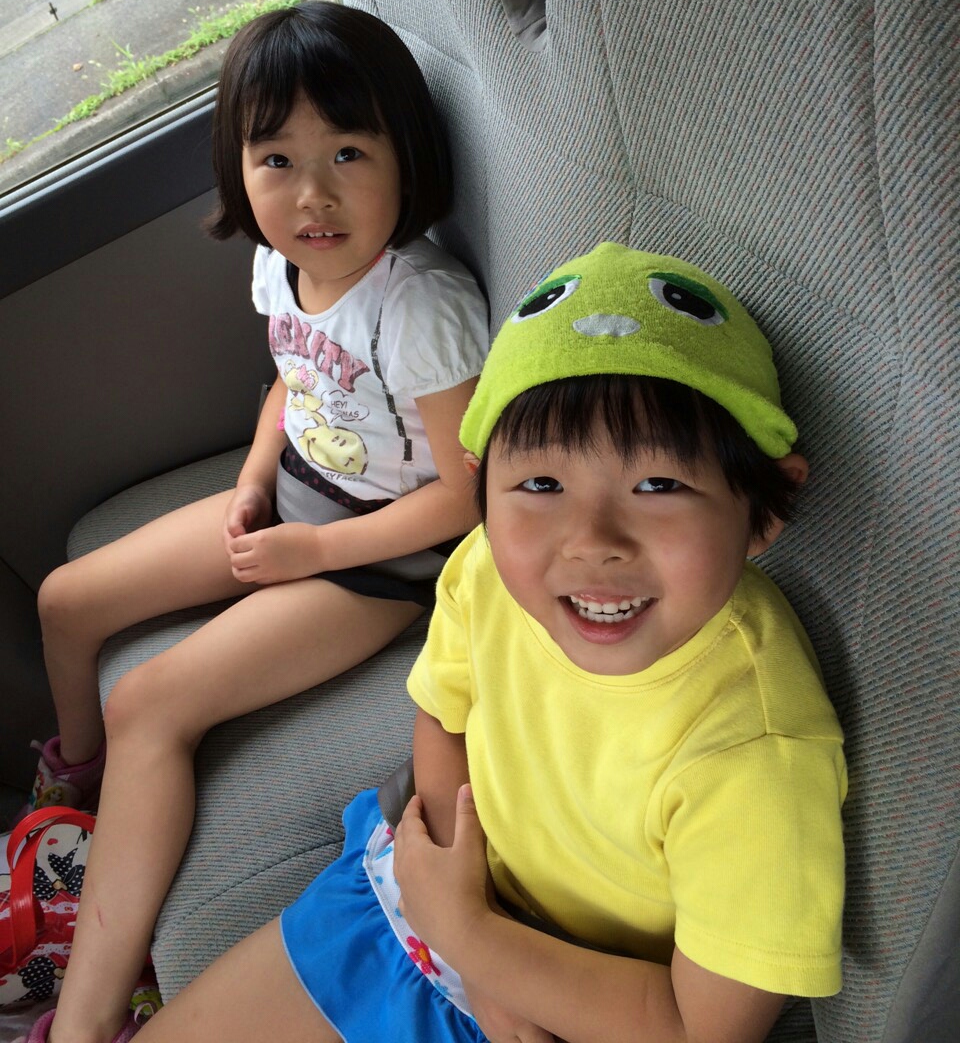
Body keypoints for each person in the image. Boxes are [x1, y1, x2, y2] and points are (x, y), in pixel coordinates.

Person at [109, 244, 847, 1043]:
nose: (591, 543)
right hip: (429, 895)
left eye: (659, 485)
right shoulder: (488, 569)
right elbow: (444, 718)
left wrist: (476, 944)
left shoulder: (755, 756)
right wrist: (462, 926)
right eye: (541, 485)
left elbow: (701, 1027)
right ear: (479, 487)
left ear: (767, 511)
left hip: (577, 1003)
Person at [23, 1, 489, 1043]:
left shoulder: (421, 305)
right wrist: (251, 475)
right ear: (239, 169)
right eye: (277, 159)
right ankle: (77, 800)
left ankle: (85, 1022)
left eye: (348, 154)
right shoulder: (280, 264)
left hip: (381, 563)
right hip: (291, 498)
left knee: (152, 702)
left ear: (406, 157)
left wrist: (312, 551)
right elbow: (292, 382)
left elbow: (466, 495)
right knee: (66, 600)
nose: (312, 194)